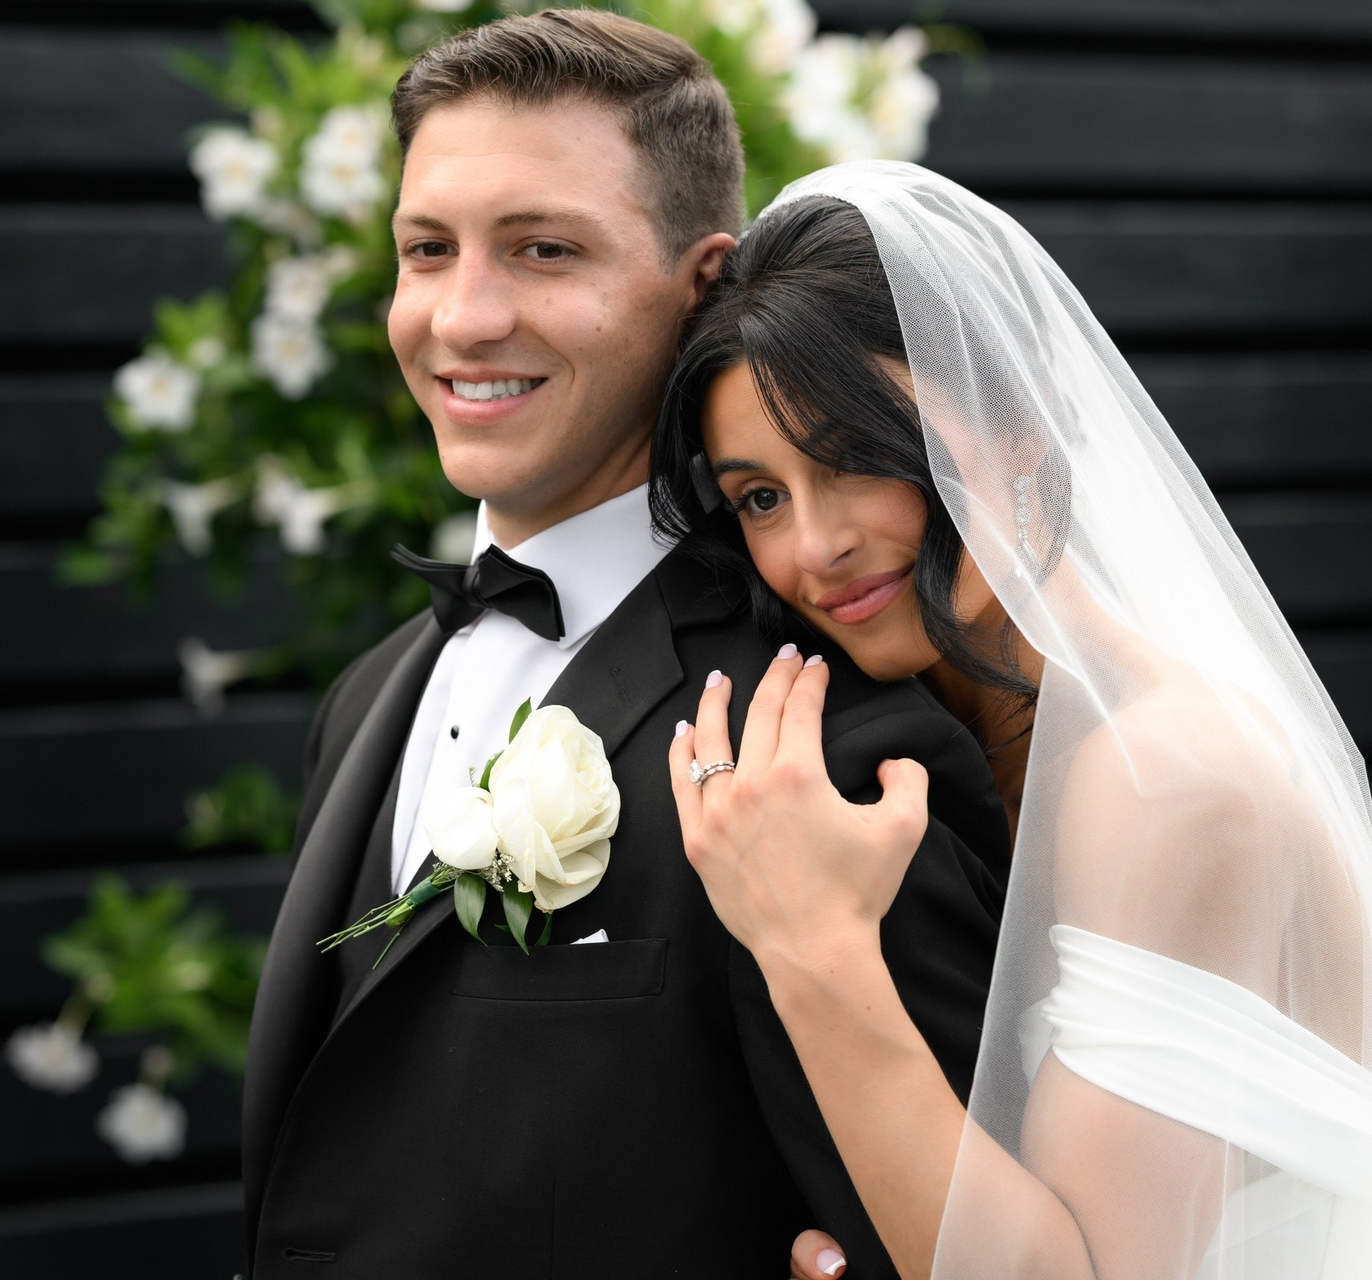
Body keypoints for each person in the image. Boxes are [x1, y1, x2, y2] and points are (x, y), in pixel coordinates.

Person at [242, 14, 1012, 1278]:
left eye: (543, 249)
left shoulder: (838, 750)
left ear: (701, 285)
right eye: (427, 250)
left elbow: (956, 1238)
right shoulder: (368, 694)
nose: (462, 317)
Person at [656, 162, 1372, 1280]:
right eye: (761, 497)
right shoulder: (917, 747)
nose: (815, 546)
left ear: (1019, 430)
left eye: (856, 457)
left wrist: (809, 942)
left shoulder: (1170, 777)